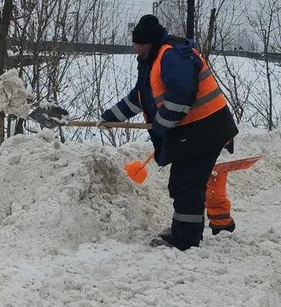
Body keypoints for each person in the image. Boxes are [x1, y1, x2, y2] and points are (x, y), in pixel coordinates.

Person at [99, 14, 239, 250]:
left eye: (137, 44)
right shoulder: (150, 61)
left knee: (187, 183)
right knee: (183, 183)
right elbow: (140, 97)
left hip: (206, 128)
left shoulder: (170, 55)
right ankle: (189, 231)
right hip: (196, 130)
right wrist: (110, 117)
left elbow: (182, 93)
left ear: (148, 43)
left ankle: (185, 240)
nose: (134, 49)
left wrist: (162, 123)